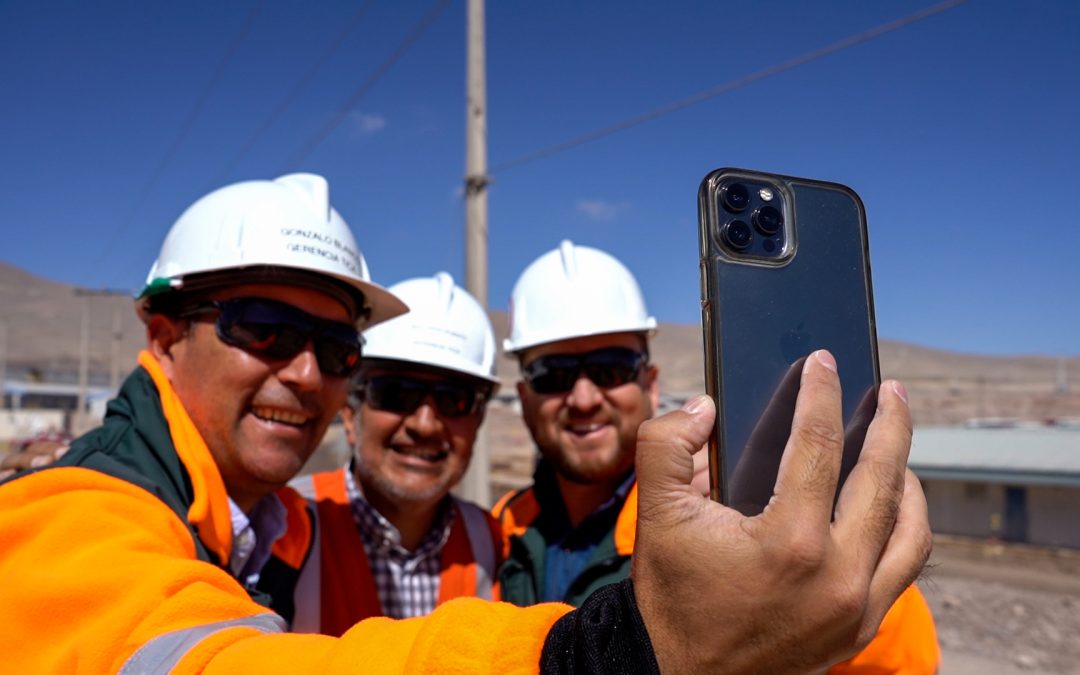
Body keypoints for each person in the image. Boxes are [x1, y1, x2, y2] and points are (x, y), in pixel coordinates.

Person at [0, 173, 931, 673]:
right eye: (264, 329)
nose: (304, 370)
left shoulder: (738, 521)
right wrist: (606, 658)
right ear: (161, 333)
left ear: (650, 380)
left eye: (333, 347)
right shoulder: (82, 515)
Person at [495, 240, 940, 671]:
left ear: (650, 383)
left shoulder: (733, 516)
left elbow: (893, 656)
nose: (585, 397)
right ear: (523, 396)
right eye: (552, 375)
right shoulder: (503, 528)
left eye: (610, 369)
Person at [279, 272, 502, 634]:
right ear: (350, 413)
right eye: (397, 393)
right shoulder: (280, 525)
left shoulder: (495, 544)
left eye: (454, 400)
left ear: (477, 422)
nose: (426, 424)